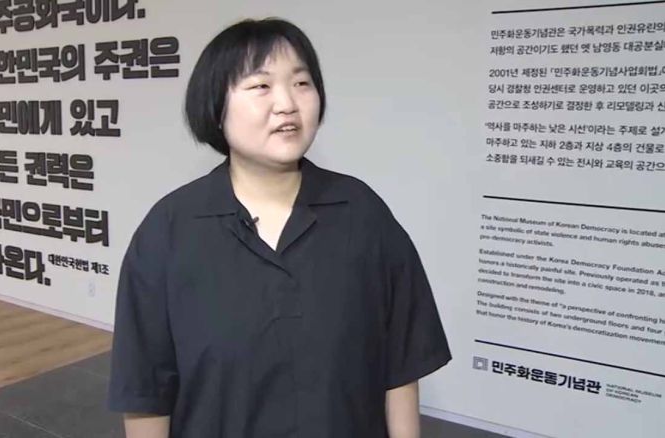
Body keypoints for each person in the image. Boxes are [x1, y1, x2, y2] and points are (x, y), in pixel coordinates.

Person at [107, 17, 452, 438]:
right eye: (261, 85)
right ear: (215, 106)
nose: (287, 103)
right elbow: (146, 390)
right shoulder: (168, 231)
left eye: (302, 83)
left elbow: (401, 366)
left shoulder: (363, 214)